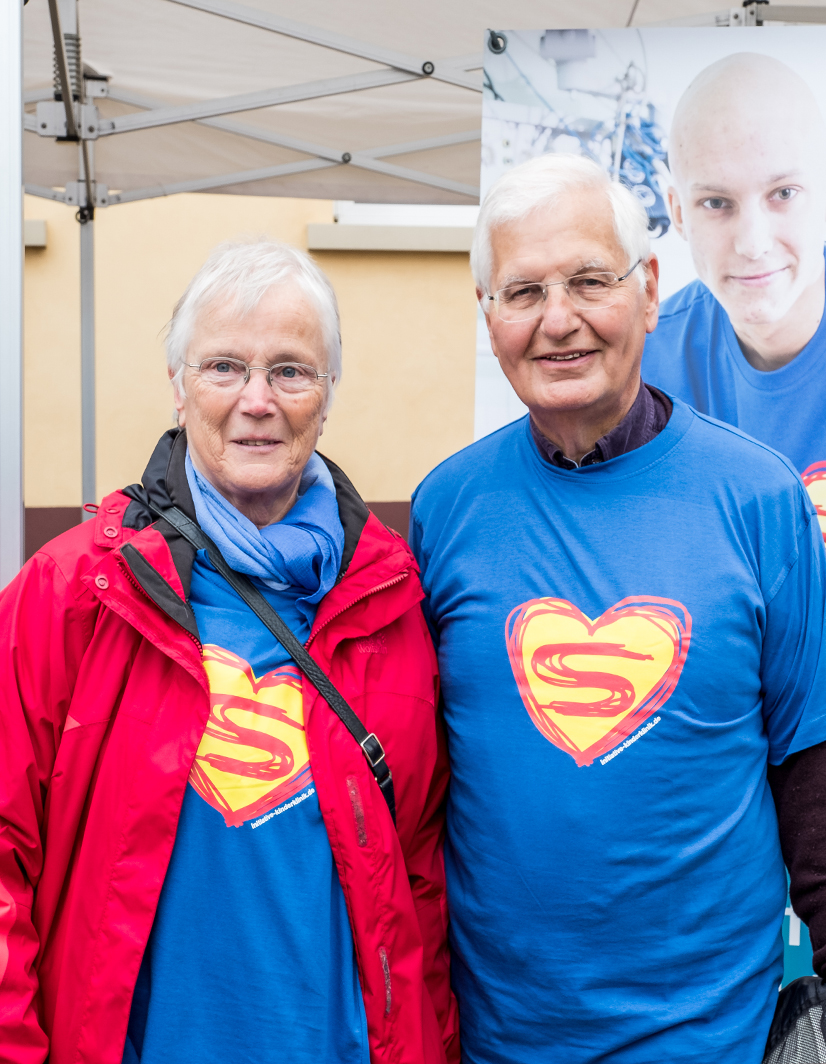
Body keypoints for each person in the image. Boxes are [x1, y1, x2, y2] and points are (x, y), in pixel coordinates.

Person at [411, 153, 826, 1063]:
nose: (558, 320)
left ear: (649, 290)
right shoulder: (446, 508)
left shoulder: (759, 499)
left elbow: (813, 775)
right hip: (496, 1040)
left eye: (590, 281)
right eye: (524, 292)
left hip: (715, 1039)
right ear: (488, 316)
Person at [0, 240, 458, 1064]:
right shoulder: (73, 592)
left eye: (290, 371)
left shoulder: (393, 601)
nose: (257, 400)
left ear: (327, 395)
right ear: (178, 389)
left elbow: (419, 873)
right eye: (223, 367)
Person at [642, 53, 826, 532]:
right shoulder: (642, 370)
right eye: (716, 202)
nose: (753, 243)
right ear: (678, 213)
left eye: (783, 193)